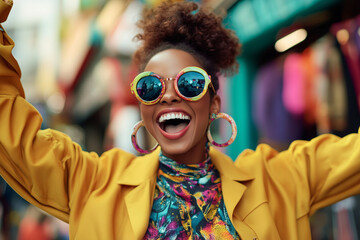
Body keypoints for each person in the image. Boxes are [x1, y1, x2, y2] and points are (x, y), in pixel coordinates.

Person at [0, 0, 359, 239]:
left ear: (214, 101)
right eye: (151, 86)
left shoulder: (281, 179)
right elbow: (10, 130)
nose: (169, 95)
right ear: (141, 105)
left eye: (188, 84)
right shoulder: (91, 184)